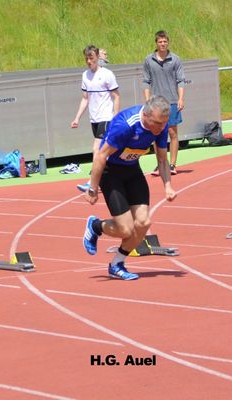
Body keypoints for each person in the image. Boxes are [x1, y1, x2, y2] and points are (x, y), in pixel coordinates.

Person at [83, 96, 177, 280]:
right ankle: (95, 226)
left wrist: (168, 186)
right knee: (125, 230)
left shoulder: (161, 124)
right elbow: (101, 156)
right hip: (111, 173)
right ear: (147, 115)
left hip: (133, 170)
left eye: (163, 124)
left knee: (143, 223)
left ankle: (117, 263)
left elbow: (161, 159)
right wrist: (92, 188)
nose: (160, 128)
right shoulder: (125, 125)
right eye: (157, 123)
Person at [71, 45, 120, 193]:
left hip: (106, 117)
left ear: (98, 57)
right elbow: (85, 99)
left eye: (91, 58)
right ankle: (110, 178)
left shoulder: (107, 74)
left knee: (96, 149)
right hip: (94, 119)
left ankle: (92, 182)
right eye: (86, 58)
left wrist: (115, 116)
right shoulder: (85, 75)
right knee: (105, 151)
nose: (88, 61)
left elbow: (116, 96)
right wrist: (77, 118)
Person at [143, 30, 186, 176]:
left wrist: (181, 98)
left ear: (168, 42)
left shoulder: (175, 60)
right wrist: (148, 100)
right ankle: (161, 164)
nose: (163, 44)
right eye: (160, 42)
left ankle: (172, 164)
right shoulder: (149, 60)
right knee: (156, 134)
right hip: (156, 103)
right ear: (156, 43)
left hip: (172, 101)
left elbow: (181, 80)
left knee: (172, 133)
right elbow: (146, 81)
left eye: (165, 41)